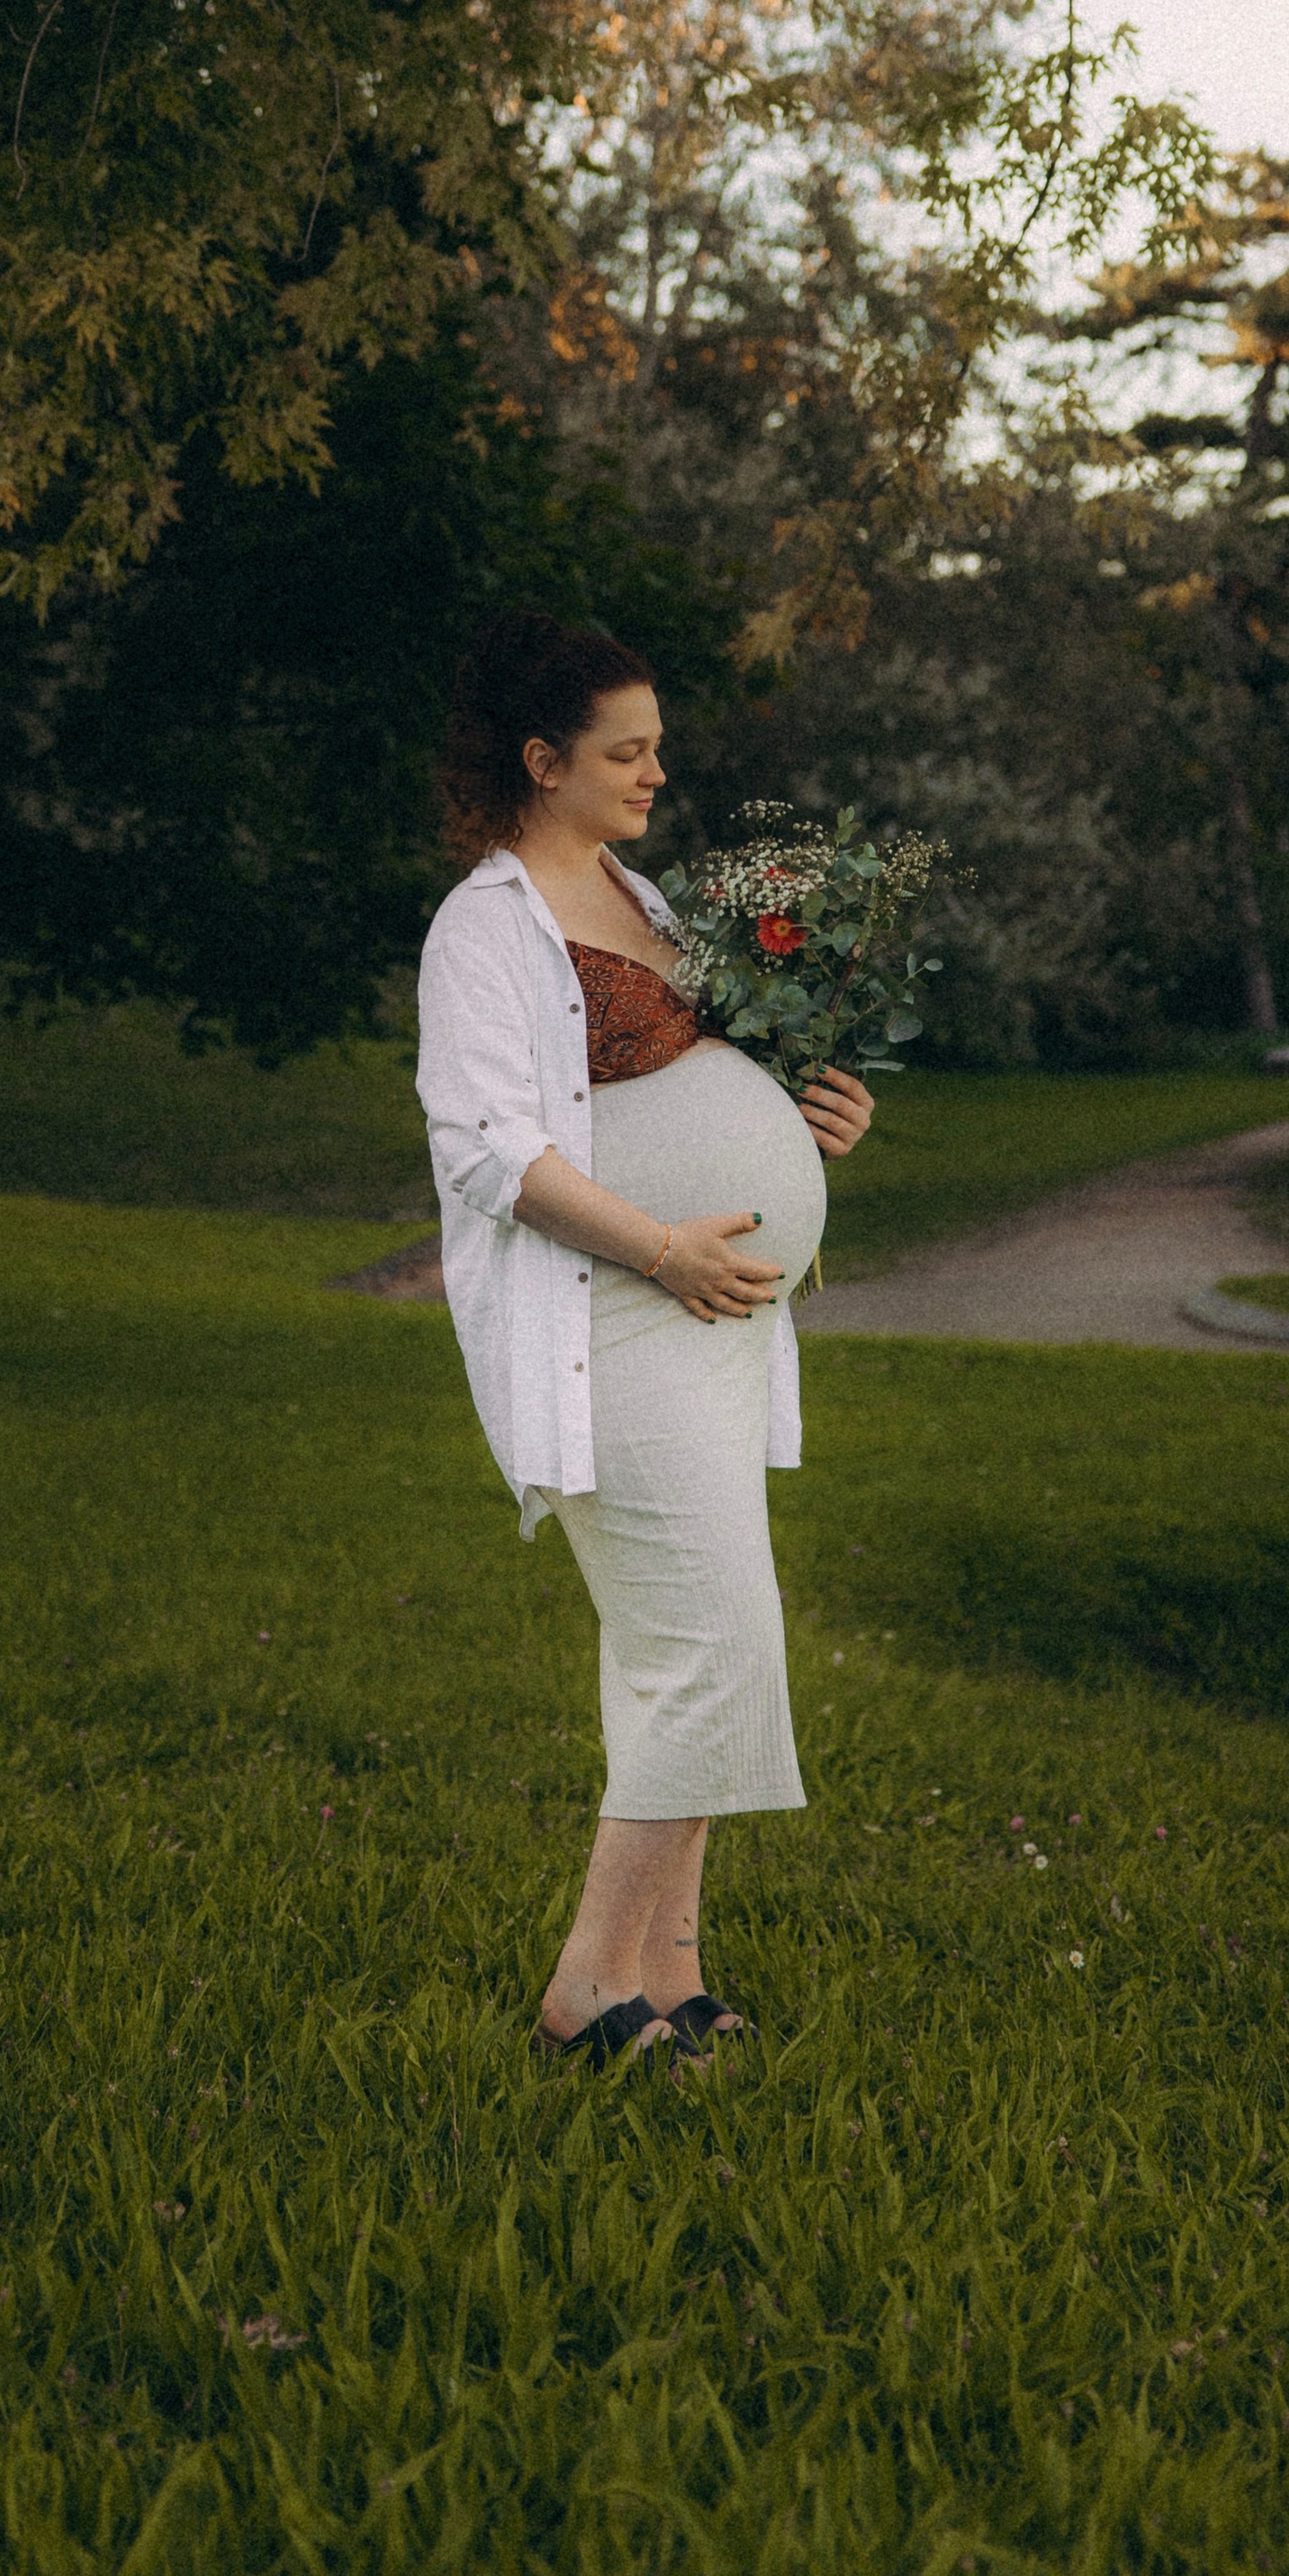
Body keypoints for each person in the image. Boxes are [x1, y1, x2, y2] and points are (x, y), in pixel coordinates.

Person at [416, 613, 874, 2067]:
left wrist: (813, 1124)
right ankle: (582, 1985)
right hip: (615, 1313)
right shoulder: (484, 928)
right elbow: (488, 1150)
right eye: (626, 751)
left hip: (714, 1321)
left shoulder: (647, 898)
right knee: (709, 1643)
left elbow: (706, 1072)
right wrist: (663, 1245)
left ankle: (669, 1978)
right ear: (542, 762)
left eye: (658, 747)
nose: (655, 772)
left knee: (684, 1648)